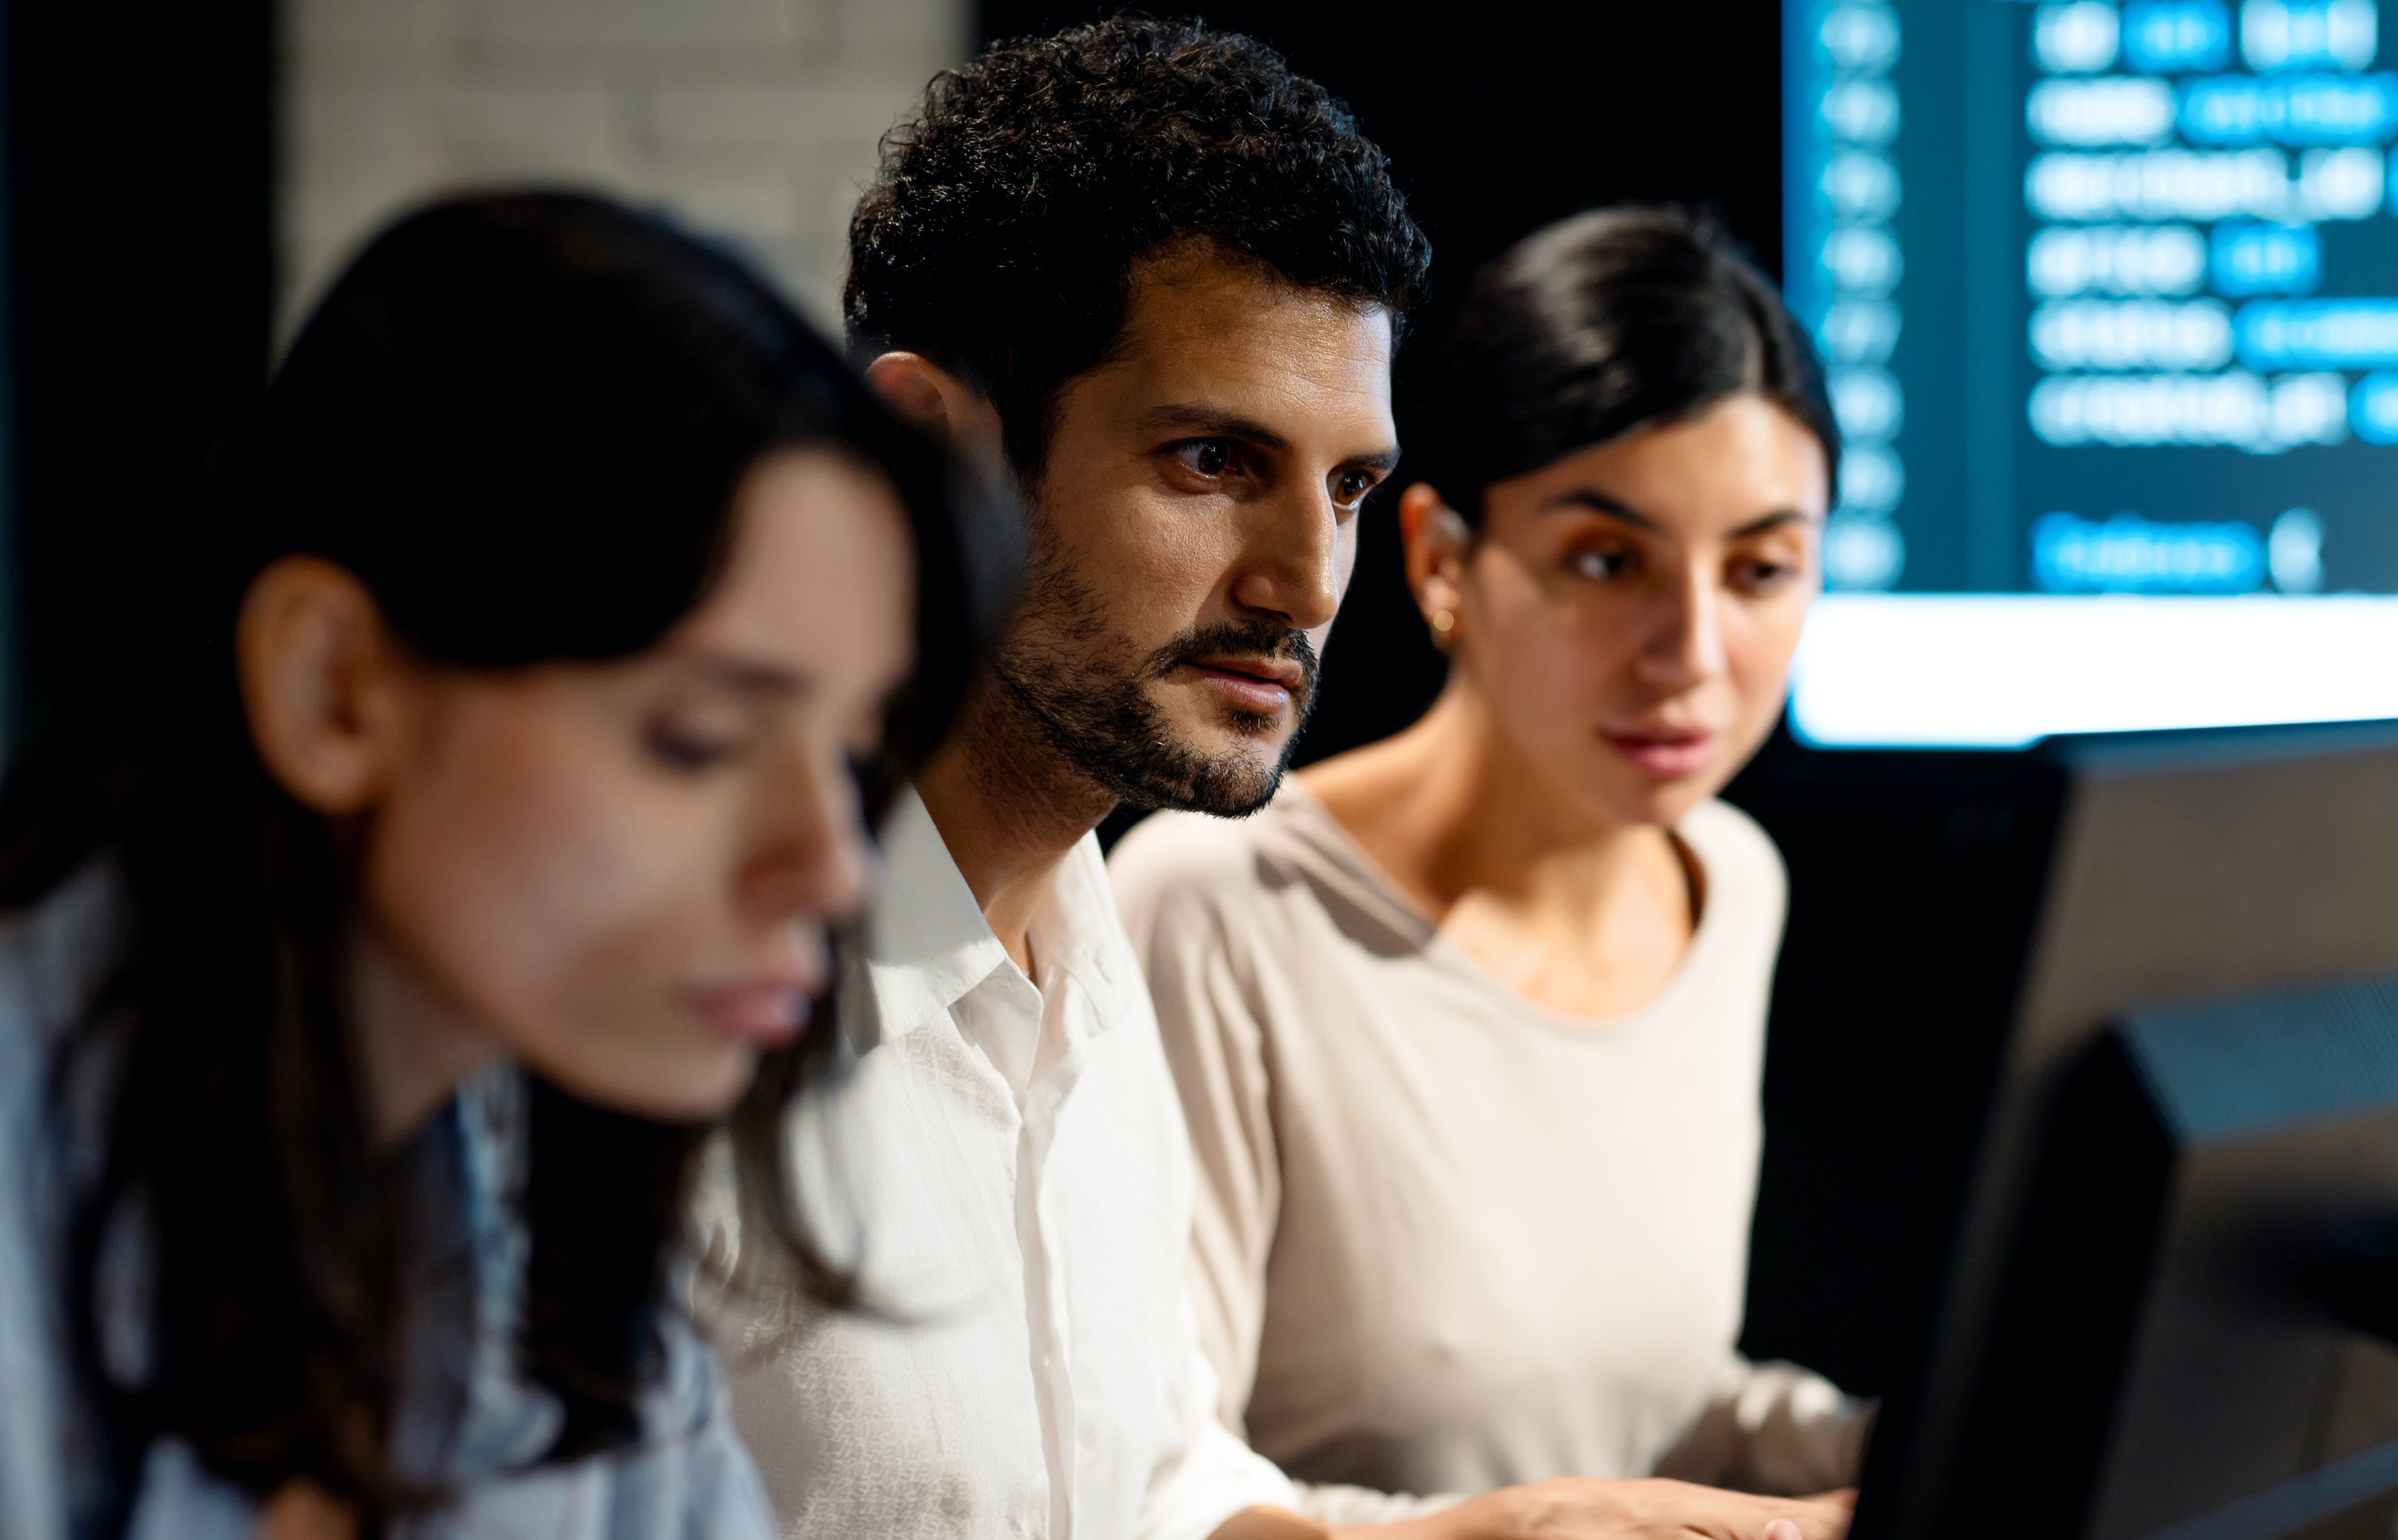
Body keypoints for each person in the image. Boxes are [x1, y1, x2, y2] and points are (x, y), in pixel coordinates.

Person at [696, 21, 1850, 1540]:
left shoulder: (1088, 952)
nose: (1307, 582)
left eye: (1347, 486)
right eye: (1210, 462)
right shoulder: (671, 1017)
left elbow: (1153, 1486)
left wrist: (1479, 1536)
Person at [0, 192, 1011, 1539]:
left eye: (852, 755)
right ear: (335, 690)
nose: (832, 869)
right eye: (698, 739)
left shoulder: (559, 1249)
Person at [1110, 205, 1861, 1503]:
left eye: (1759, 570)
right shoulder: (1216, 907)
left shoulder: (1730, 881)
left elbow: (1647, 1410)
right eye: (1606, 560)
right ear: (1444, 564)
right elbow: (1166, 1494)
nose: (1690, 652)